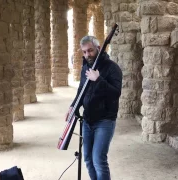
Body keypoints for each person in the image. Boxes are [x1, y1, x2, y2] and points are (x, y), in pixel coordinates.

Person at [67, 35, 122, 180]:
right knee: (87, 160)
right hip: (87, 120)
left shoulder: (112, 68)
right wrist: (73, 106)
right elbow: (81, 90)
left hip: (105, 121)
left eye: (90, 51)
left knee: (98, 160)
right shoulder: (86, 67)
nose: (87, 55)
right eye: (84, 52)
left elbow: (115, 94)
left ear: (98, 48)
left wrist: (98, 79)